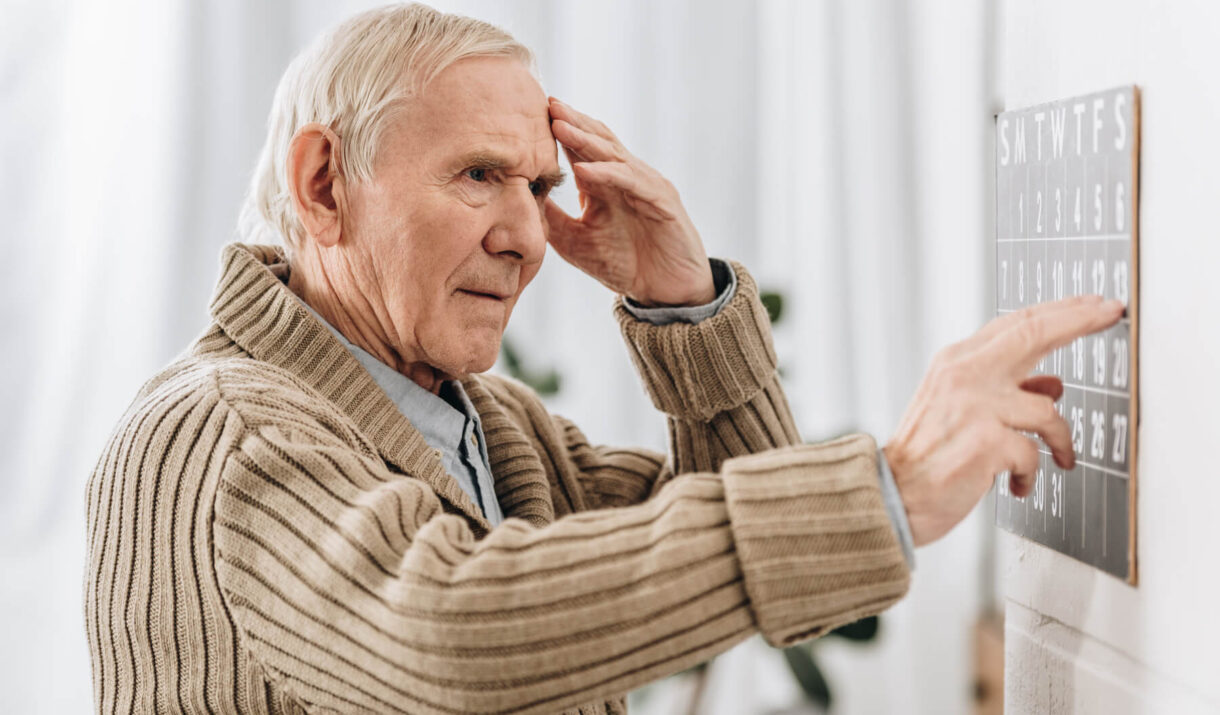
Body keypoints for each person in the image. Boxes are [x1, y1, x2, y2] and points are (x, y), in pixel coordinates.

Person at [83, 4, 1124, 713]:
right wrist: (886, 486)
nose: (529, 237)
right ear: (322, 185)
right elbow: (449, 630)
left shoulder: (494, 427)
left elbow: (792, 584)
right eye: (479, 174)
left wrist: (685, 308)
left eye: (538, 187)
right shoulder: (216, 431)